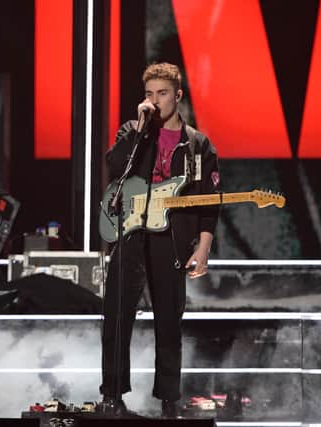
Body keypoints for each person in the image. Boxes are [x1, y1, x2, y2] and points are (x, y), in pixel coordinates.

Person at [100, 62, 221, 418]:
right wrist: (138, 131)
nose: (154, 100)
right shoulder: (133, 131)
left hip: (172, 237)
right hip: (132, 234)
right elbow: (114, 166)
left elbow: (209, 199)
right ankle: (112, 394)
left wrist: (203, 247)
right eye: (149, 93)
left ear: (178, 96)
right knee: (117, 316)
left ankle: (169, 399)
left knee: (169, 320)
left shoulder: (197, 144)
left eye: (162, 93)